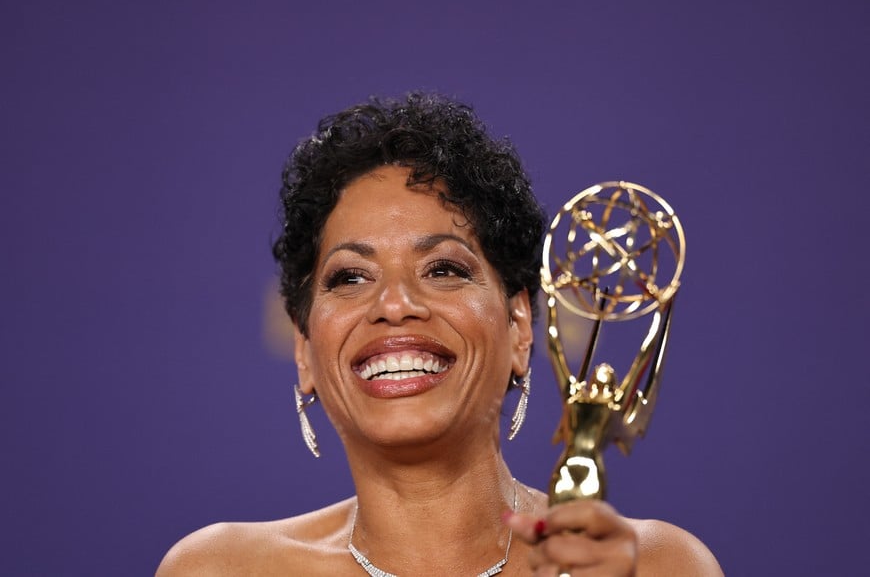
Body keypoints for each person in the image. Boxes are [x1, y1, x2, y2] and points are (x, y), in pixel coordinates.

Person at [157, 93, 722, 576]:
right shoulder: (219, 568)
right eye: (350, 277)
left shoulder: (658, 566)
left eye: (444, 270)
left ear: (520, 326)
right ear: (305, 352)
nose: (395, 305)